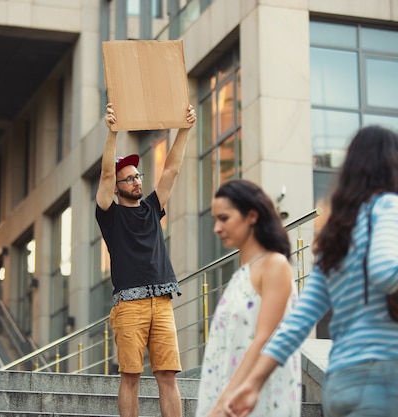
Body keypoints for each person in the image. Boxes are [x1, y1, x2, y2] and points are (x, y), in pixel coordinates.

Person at [224, 125, 398, 417]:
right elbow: (385, 271)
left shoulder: (337, 233)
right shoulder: (390, 204)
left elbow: (298, 322)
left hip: (339, 382)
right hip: (381, 371)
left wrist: (254, 382)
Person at [95, 102, 196, 417]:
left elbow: (171, 169)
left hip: (162, 302)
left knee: (168, 376)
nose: (137, 181)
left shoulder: (153, 207)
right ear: (116, 187)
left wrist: (185, 129)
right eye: (129, 179)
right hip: (129, 307)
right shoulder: (108, 215)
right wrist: (112, 132)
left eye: (138, 176)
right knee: (131, 377)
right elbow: (104, 173)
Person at [196, 179, 301, 417]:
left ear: (251, 216)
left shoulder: (275, 264)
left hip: (252, 400)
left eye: (224, 218)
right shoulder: (240, 276)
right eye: (215, 220)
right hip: (227, 393)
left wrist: (221, 407)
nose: (216, 228)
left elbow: (264, 337)